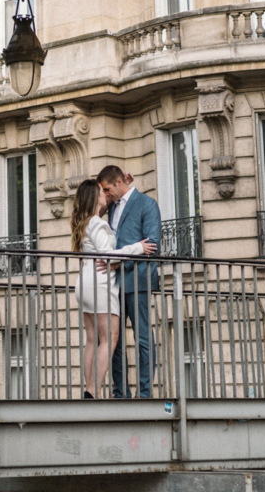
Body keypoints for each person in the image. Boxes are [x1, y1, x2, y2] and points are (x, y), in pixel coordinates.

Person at [70, 178, 156, 399]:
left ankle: (89, 389)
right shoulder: (97, 223)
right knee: (110, 338)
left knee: (92, 339)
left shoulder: (84, 221)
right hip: (100, 283)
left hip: (84, 283)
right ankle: (93, 390)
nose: (105, 194)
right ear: (93, 197)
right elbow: (107, 254)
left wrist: (124, 183)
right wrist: (138, 247)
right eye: (101, 191)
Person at [97, 163, 161, 398]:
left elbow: (152, 246)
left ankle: (144, 394)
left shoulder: (147, 204)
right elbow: (94, 217)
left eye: (106, 189)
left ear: (119, 183)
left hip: (139, 280)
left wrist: (116, 263)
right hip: (113, 284)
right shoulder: (112, 205)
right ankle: (120, 392)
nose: (105, 194)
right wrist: (105, 201)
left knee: (142, 337)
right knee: (115, 339)